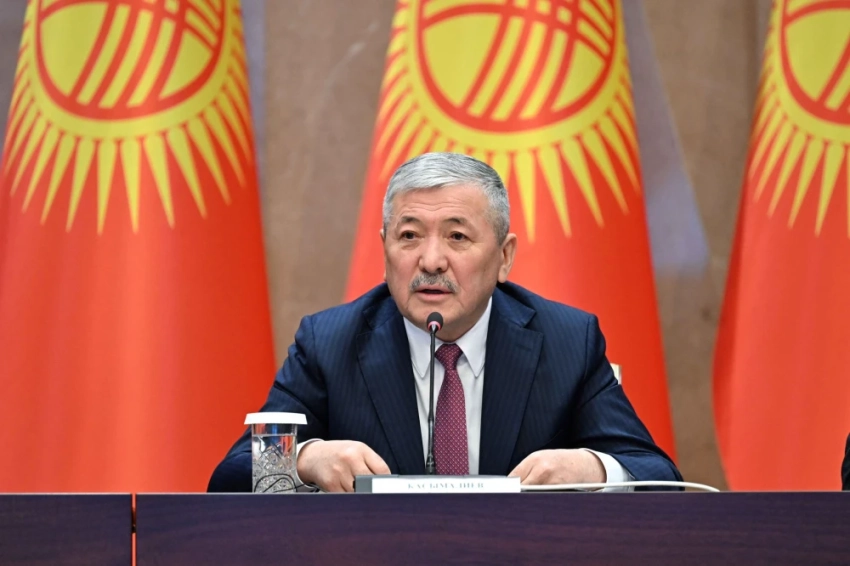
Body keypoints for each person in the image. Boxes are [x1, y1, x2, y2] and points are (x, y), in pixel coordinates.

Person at [209, 152, 681, 493]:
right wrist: (305, 458)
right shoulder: (330, 343)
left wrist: (593, 469)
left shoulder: (566, 341)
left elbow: (658, 475)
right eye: (409, 236)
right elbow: (231, 474)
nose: (431, 260)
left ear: (504, 257)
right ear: (385, 247)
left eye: (457, 236)